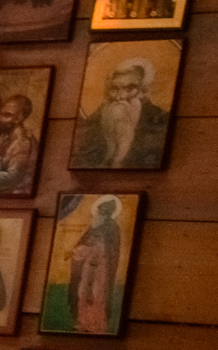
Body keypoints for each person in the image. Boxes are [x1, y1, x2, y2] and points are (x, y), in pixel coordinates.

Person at [71, 58, 170, 168]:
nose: (120, 97)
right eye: (114, 89)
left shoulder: (160, 120)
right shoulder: (94, 121)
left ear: (143, 91)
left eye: (129, 88)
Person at [59, 196, 124, 333]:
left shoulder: (112, 227)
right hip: (87, 266)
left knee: (97, 294)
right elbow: (84, 242)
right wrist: (77, 251)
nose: (99, 214)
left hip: (102, 268)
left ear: (108, 213)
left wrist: (96, 250)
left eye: (102, 211)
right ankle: (82, 323)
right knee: (82, 292)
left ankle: (96, 325)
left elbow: (112, 248)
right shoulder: (93, 226)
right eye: (99, 210)